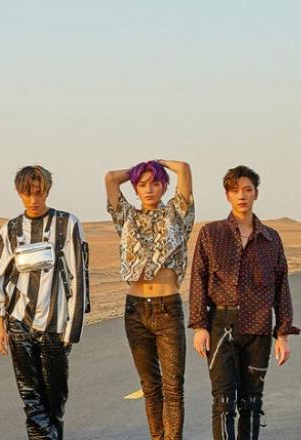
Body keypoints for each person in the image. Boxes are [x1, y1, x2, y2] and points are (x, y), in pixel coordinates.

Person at [188, 165, 300, 440]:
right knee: (223, 399)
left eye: (247, 190)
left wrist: (282, 334)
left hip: (258, 328)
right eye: (235, 190)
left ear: (256, 194)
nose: (242, 195)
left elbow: (281, 287)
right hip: (220, 325)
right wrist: (200, 326)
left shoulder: (271, 239)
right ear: (227, 195)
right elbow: (198, 279)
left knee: (251, 401)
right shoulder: (211, 233)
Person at [0, 165, 88, 440]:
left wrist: (72, 328)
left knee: (55, 398)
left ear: (47, 190)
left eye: (39, 192)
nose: (33, 199)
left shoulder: (67, 224)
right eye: (27, 193)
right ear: (18, 192)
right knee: (31, 397)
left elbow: (79, 276)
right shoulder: (10, 229)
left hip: (56, 323)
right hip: (19, 321)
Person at [105, 160, 194, 440]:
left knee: (173, 387)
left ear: (164, 186)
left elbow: (184, 169)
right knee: (150, 387)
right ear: (135, 189)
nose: (149, 189)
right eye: (142, 185)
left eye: (155, 183)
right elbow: (110, 179)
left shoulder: (176, 214)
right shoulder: (126, 217)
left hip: (168, 308)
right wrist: (137, 169)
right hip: (136, 311)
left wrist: (158, 163)